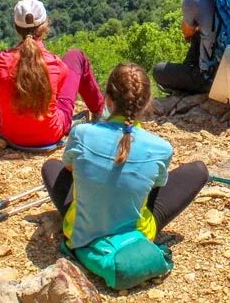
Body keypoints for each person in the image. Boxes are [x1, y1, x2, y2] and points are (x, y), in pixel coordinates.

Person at [41, 63, 208, 250]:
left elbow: (70, 169)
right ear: (147, 103)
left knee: (51, 166)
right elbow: (156, 187)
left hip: (80, 235)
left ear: (108, 100)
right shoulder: (162, 148)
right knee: (198, 171)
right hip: (135, 238)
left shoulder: (81, 133)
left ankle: (88, 222)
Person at [0, 0, 106, 148]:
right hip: (51, 134)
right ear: (45, 26)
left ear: (15, 27)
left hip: (11, 135)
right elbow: (58, 94)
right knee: (76, 55)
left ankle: (16, 125)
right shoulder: (56, 64)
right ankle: (99, 111)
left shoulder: (0, 62)